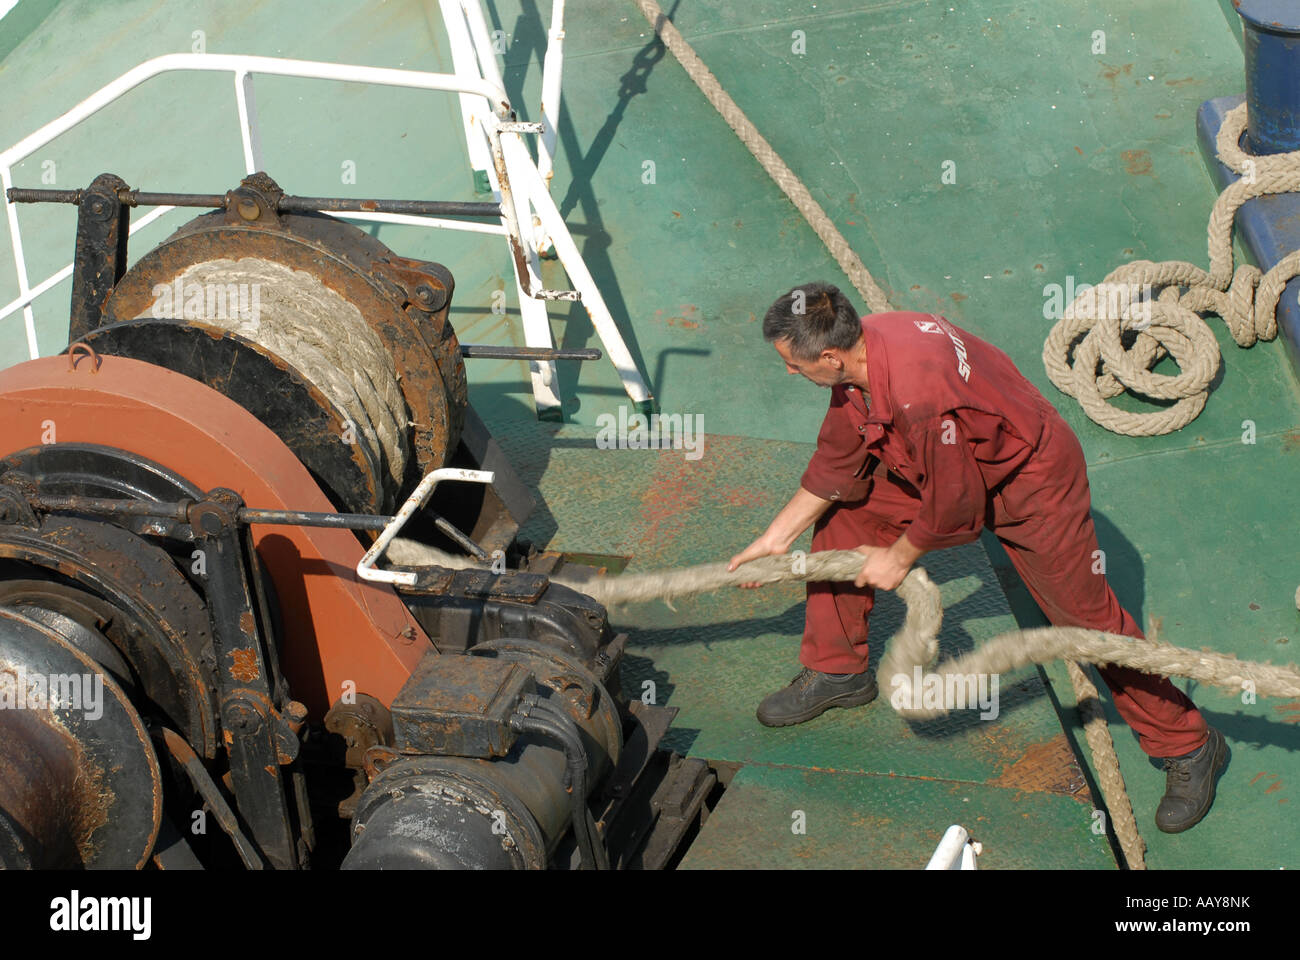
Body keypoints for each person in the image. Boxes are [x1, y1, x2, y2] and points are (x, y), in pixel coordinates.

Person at [727, 281, 1227, 833]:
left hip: (1031, 482)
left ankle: (1190, 745)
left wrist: (897, 558)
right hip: (948, 460)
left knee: (1088, 625)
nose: (790, 374)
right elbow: (838, 461)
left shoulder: (918, 397)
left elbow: (953, 508)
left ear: (829, 354)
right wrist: (777, 538)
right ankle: (837, 670)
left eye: (793, 364)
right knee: (846, 519)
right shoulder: (867, 351)